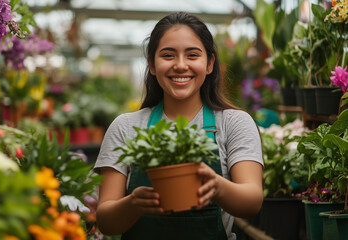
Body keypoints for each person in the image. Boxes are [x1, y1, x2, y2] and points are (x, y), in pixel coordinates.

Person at [93, 11, 263, 240]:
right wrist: (133, 203)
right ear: (152, 65)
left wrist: (217, 187)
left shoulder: (234, 123)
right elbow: (105, 221)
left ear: (210, 63)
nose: (181, 65)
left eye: (192, 55)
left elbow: (252, 202)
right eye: (168, 55)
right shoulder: (125, 127)